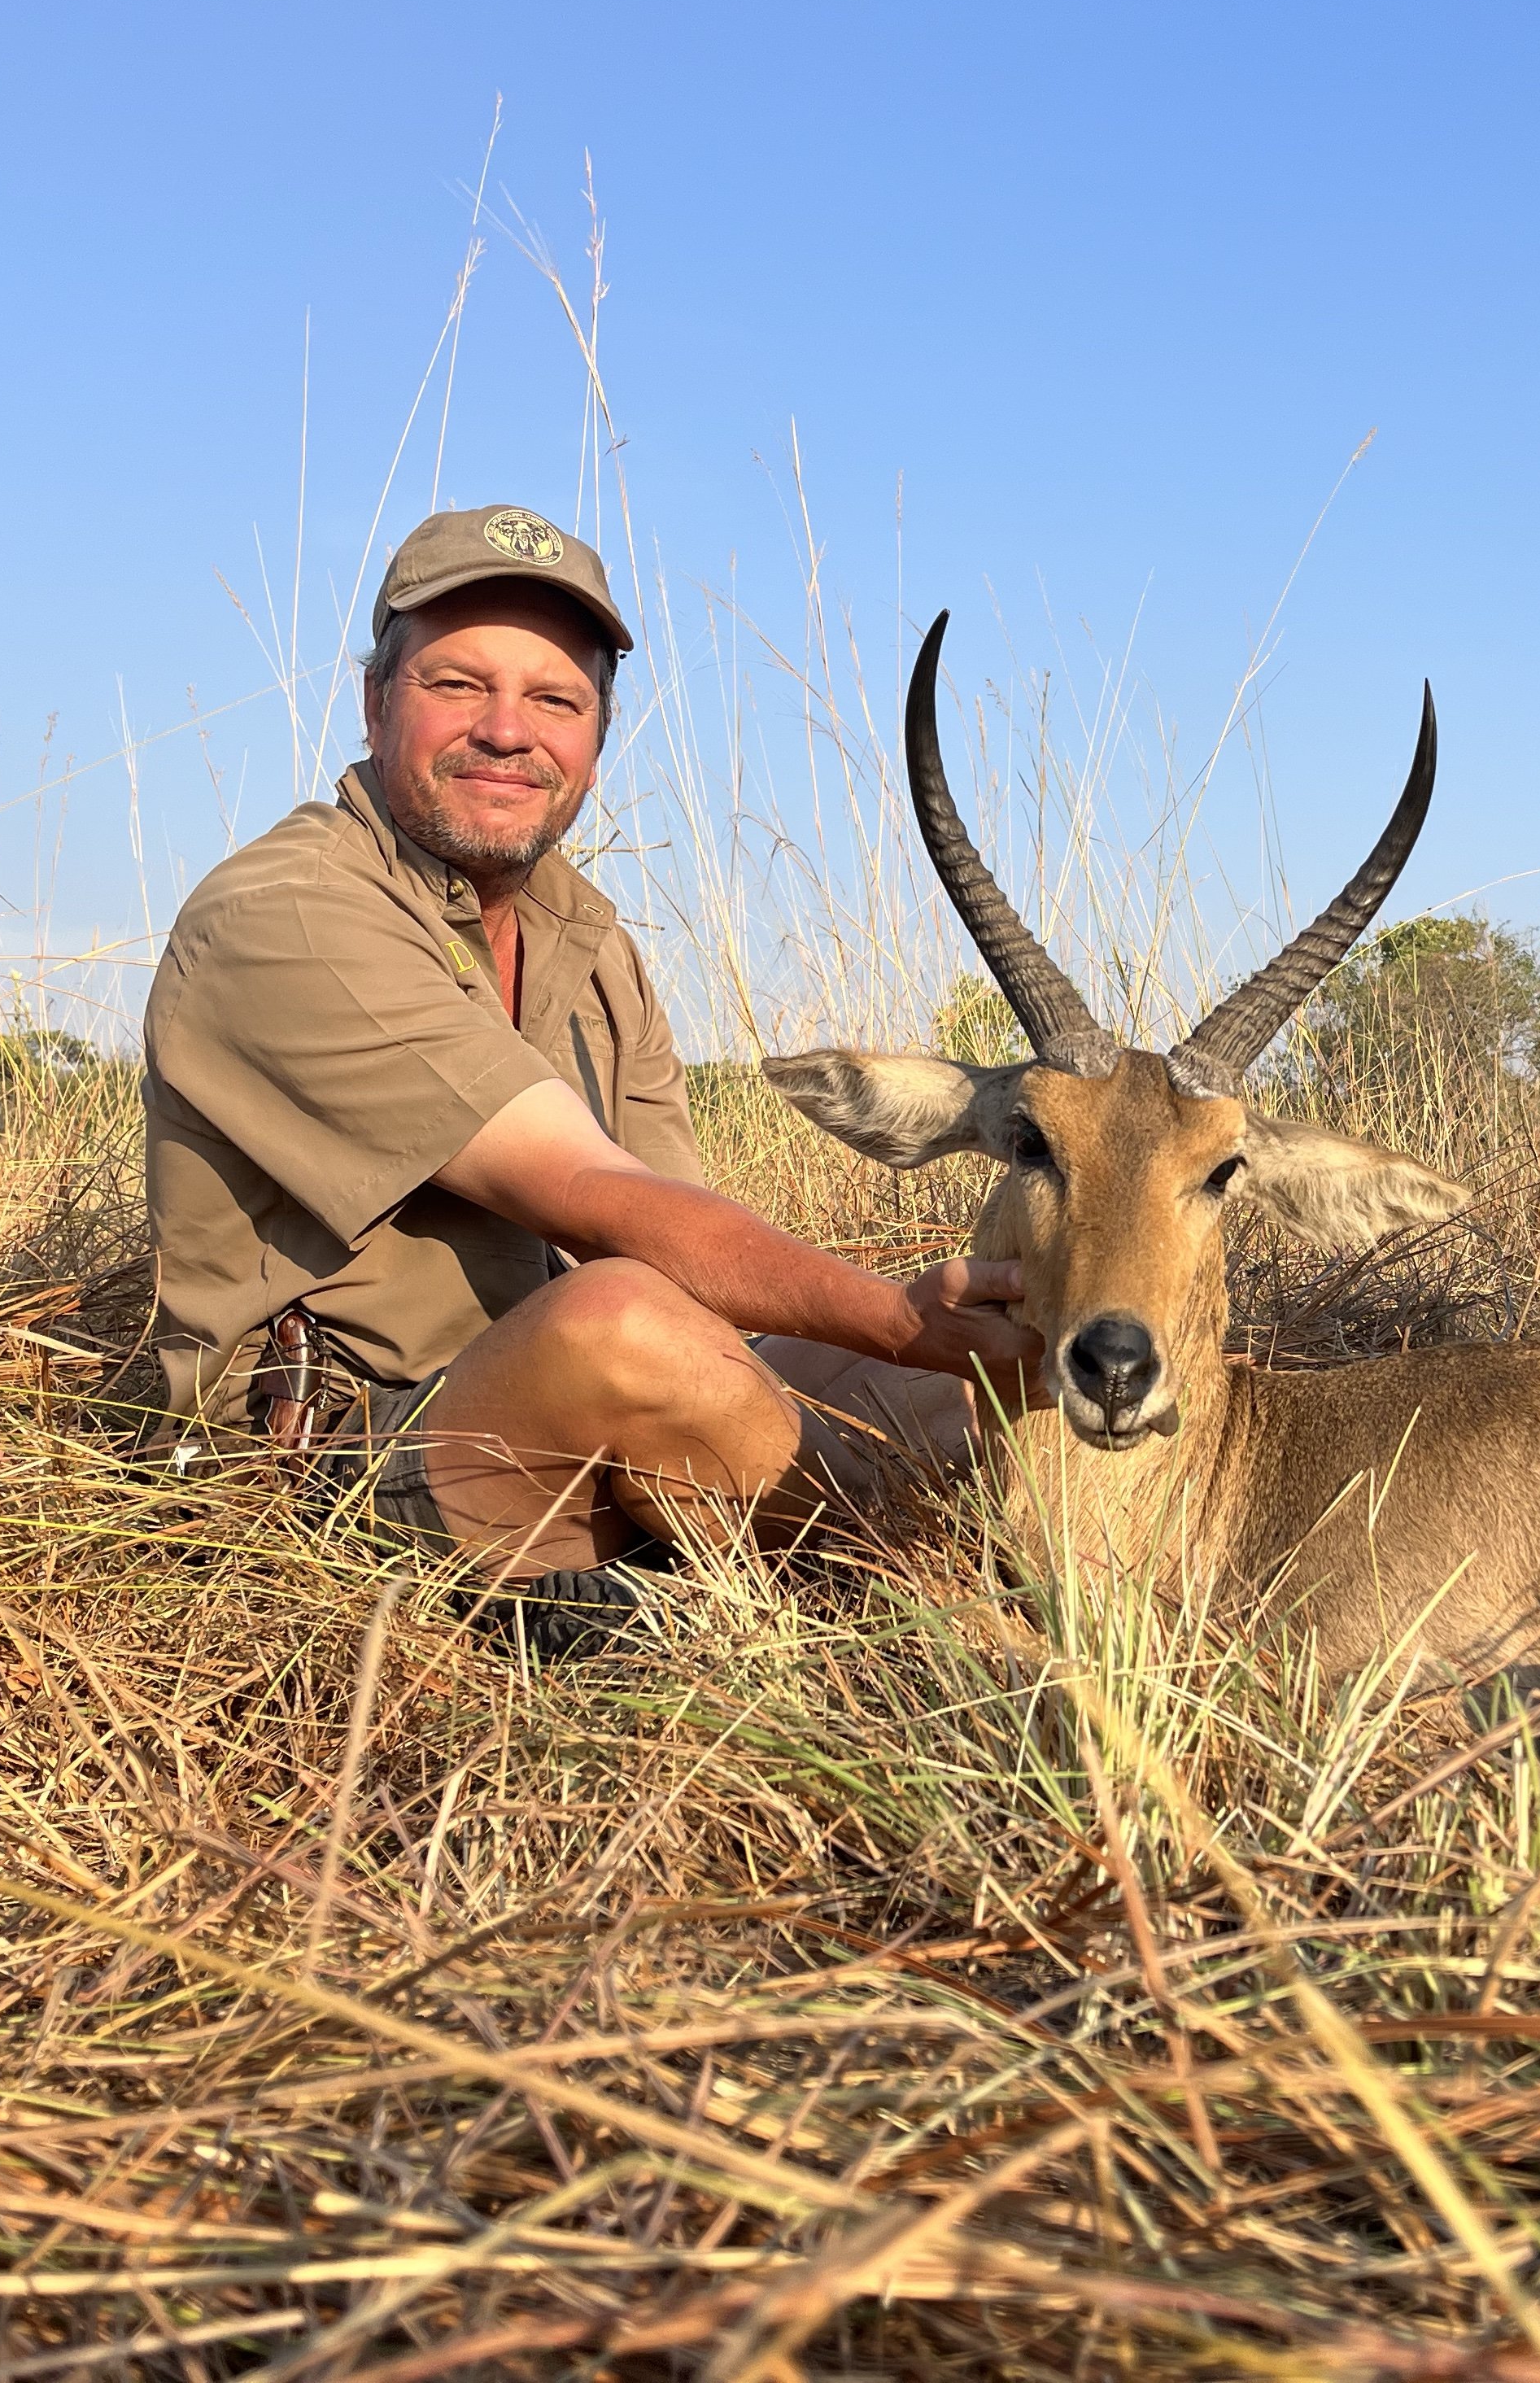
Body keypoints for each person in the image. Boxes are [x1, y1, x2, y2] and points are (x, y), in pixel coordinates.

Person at [142, 505, 1040, 1654]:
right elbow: (601, 1203)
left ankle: (867, 1557)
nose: (507, 732)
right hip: (341, 1472)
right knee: (630, 1327)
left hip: (570, 1417)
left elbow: (688, 1260)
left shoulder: (593, 943)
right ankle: (894, 1613)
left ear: (599, 734)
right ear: (376, 702)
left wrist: (912, 1353)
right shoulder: (286, 913)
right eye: (459, 685)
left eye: (556, 700)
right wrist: (888, 1322)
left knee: (957, 1386)